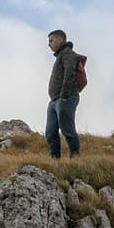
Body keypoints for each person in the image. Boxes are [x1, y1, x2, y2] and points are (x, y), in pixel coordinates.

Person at [45, 29, 80, 159]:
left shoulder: (68, 54)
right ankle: (55, 160)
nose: (49, 44)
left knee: (68, 130)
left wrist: (64, 96)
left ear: (60, 40)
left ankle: (75, 157)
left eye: (51, 40)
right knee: (50, 132)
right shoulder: (60, 55)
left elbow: (69, 73)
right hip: (54, 100)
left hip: (66, 98)